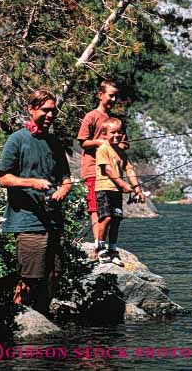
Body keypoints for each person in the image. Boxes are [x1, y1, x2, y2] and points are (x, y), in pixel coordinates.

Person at [0, 89, 72, 315]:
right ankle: (19, 320)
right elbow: (3, 178)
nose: (50, 115)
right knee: (30, 278)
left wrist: (62, 191)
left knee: (53, 275)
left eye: (53, 111)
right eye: (45, 110)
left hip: (53, 220)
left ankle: (42, 319)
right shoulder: (17, 139)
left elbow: (67, 179)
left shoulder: (55, 143)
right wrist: (33, 183)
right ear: (31, 109)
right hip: (27, 221)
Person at [77, 80, 127, 251]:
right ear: (100, 95)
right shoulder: (91, 116)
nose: (113, 99)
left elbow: (122, 145)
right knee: (96, 210)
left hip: (113, 171)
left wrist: (121, 144)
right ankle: (99, 249)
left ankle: (109, 247)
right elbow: (83, 142)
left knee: (113, 213)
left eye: (115, 96)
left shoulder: (115, 121)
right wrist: (100, 142)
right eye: (110, 95)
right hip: (93, 169)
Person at [95, 117, 145, 266]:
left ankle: (113, 250)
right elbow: (108, 170)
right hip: (103, 189)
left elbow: (129, 170)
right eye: (112, 132)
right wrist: (123, 184)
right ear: (104, 135)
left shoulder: (121, 153)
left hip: (116, 192)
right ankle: (100, 248)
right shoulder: (103, 149)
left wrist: (138, 189)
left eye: (119, 132)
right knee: (106, 218)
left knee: (116, 220)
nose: (116, 135)